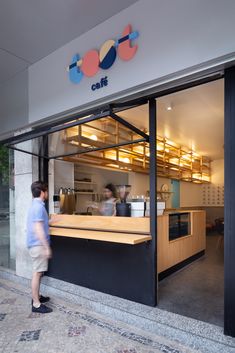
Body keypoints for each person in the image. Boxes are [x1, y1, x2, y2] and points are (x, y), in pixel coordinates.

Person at [27, 181, 59, 314]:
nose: (47, 193)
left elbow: (41, 223)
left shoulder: (35, 205)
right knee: (37, 273)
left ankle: (37, 297)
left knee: (38, 273)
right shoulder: (39, 207)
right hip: (38, 244)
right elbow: (38, 228)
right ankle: (36, 304)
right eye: (46, 191)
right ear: (42, 192)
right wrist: (46, 247)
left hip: (34, 244)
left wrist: (53, 221)